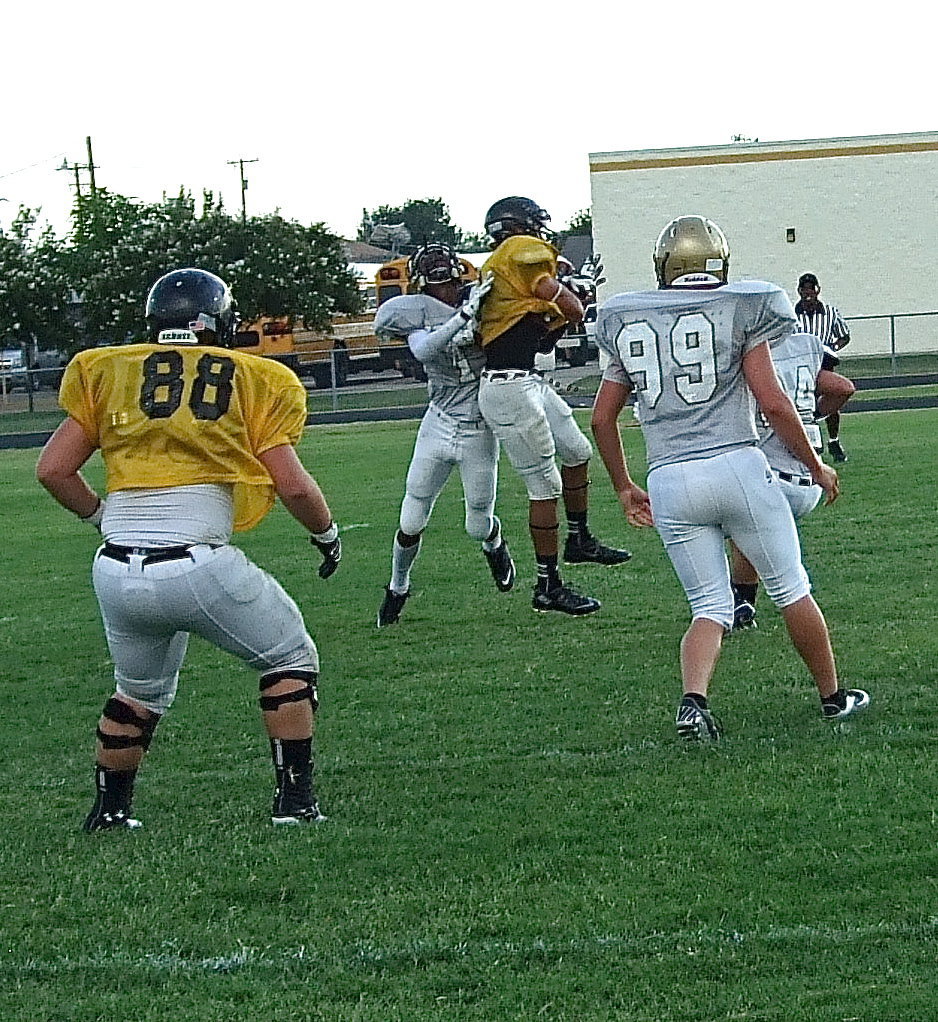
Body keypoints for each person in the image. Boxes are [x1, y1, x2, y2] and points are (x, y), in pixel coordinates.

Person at [36, 268, 341, 830]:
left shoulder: (107, 370)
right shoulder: (255, 377)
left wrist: (103, 518)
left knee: (137, 692)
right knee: (290, 660)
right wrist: (326, 536)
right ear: (217, 322)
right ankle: (295, 805)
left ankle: (109, 813)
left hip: (115, 569)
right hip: (196, 561)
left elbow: (53, 470)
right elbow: (294, 486)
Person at [591, 215, 870, 739]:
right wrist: (816, 466)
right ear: (719, 261)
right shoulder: (742, 306)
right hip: (736, 465)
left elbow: (602, 419)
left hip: (669, 478)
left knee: (708, 607)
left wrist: (624, 487)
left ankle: (693, 703)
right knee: (791, 588)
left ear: (663, 264)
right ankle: (834, 699)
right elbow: (774, 403)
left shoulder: (628, 319)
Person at [476, 196, 631, 618]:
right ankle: (548, 585)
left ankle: (579, 539)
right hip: (509, 388)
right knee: (545, 487)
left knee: (577, 452)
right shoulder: (517, 251)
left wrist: (566, 306)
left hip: (526, 380)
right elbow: (567, 305)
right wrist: (571, 295)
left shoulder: (507, 278)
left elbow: (542, 338)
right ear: (518, 227)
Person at [372, 241, 515, 627]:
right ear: (422, 287)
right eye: (438, 285)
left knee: (477, 524)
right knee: (411, 518)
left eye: (450, 284)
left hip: (478, 428)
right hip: (438, 422)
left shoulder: (484, 303)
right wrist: (462, 317)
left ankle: (494, 542)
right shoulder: (419, 316)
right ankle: (397, 587)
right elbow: (423, 350)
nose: (446, 291)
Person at [730, 331, 856, 630]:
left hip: (774, 475)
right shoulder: (805, 344)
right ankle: (740, 600)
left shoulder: (750, 349)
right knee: (748, 529)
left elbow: (774, 407)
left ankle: (739, 601)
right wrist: (811, 413)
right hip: (810, 483)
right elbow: (843, 387)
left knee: (728, 521)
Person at [795, 272, 852, 462]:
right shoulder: (792, 314)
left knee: (834, 396)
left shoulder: (830, 312)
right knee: (801, 405)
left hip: (823, 364)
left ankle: (833, 440)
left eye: (811, 288)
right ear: (799, 291)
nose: (808, 293)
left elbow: (844, 335)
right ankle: (806, 446)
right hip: (800, 366)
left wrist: (833, 348)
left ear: (817, 290)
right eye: (804, 289)